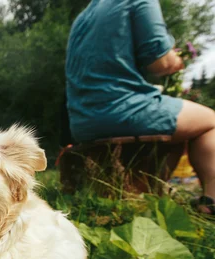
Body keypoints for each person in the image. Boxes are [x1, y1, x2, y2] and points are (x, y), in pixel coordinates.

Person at [65, 0, 215, 215]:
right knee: (210, 120)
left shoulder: (84, 16)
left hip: (82, 121)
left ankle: (145, 192)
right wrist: (176, 60)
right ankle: (211, 203)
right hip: (122, 111)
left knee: (180, 122)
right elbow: (161, 63)